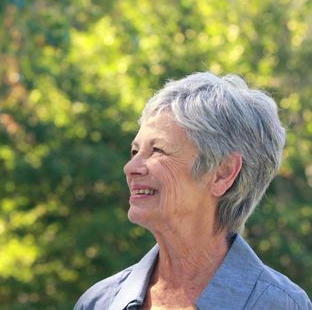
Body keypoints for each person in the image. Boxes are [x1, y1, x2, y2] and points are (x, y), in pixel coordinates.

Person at [75, 72, 312, 310]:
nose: (130, 168)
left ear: (223, 173)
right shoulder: (98, 302)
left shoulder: (281, 305)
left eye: (157, 150)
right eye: (135, 151)